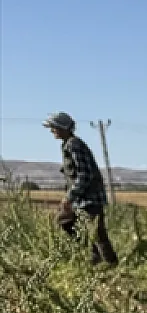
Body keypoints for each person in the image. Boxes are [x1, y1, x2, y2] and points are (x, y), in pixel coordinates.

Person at [42, 112, 116, 264]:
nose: (52, 131)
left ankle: (111, 265)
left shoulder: (73, 144)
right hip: (80, 199)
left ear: (63, 127)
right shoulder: (67, 144)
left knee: (97, 233)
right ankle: (94, 258)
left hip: (89, 198)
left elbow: (85, 174)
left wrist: (70, 197)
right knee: (64, 221)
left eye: (54, 127)